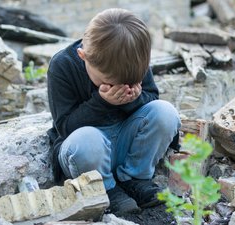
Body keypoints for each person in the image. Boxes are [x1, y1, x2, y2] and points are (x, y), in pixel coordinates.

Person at [47, 8, 180, 215]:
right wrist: (102, 101)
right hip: (86, 154)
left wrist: (133, 99)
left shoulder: (132, 58)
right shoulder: (62, 65)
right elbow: (65, 127)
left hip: (125, 143)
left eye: (128, 83)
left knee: (165, 112)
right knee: (86, 140)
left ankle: (135, 178)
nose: (119, 86)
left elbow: (151, 99)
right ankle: (107, 189)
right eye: (109, 82)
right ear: (83, 57)